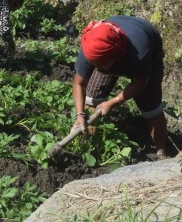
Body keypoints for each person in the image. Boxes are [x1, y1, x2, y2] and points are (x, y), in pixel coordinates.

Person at [71, 16, 168, 158]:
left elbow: (140, 83)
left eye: (101, 64)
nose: (97, 68)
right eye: (94, 64)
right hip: (112, 51)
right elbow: (79, 83)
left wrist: (113, 102)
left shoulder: (140, 52)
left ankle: (161, 152)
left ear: (114, 57)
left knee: (151, 108)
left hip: (147, 46)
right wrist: (80, 115)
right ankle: (91, 145)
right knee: (91, 98)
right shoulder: (91, 46)